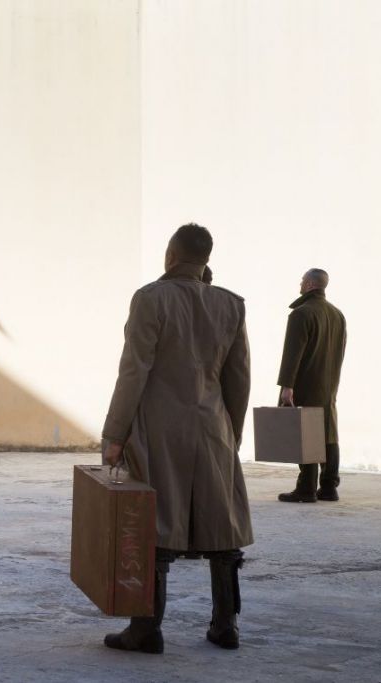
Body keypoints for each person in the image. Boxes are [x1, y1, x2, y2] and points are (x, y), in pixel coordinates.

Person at [101, 223, 253, 653]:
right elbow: (238, 378)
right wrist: (231, 432)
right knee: (223, 528)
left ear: (171, 255)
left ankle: (146, 629)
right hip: (213, 427)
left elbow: (134, 371)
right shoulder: (231, 305)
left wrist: (115, 434)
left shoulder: (151, 299)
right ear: (205, 258)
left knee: (156, 525)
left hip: (158, 428)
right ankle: (226, 625)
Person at [276, 269, 347, 503]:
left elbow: (292, 354)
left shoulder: (301, 313)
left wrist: (287, 385)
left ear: (308, 284)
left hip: (305, 382)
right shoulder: (338, 315)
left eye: (301, 281)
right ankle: (329, 487)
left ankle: (306, 488)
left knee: (305, 431)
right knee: (328, 431)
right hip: (329, 385)